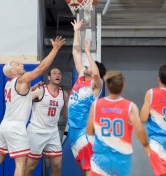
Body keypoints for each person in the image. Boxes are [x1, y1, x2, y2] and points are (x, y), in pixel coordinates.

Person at [0, 36, 65, 176]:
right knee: (21, 164)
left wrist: (32, 88)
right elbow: (41, 68)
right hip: (17, 127)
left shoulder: (9, 84)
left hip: (5, 125)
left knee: (1, 157)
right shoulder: (21, 80)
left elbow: (21, 98)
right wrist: (55, 49)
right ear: (14, 72)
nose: (22, 64)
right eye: (18, 64)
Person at [87, 70, 151, 176]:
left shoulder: (96, 105)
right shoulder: (130, 107)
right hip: (122, 158)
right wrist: (146, 146)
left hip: (101, 157)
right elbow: (139, 130)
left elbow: (89, 131)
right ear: (123, 85)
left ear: (107, 86)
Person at [68, 19, 106, 176]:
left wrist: (89, 51)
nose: (86, 66)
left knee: (89, 169)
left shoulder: (97, 84)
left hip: (85, 131)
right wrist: (76, 31)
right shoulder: (81, 78)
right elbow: (76, 53)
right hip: (73, 130)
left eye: (90, 65)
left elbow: (96, 73)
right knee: (84, 168)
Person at [25, 67, 68, 176]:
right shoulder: (40, 90)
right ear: (49, 77)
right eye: (54, 73)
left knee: (57, 164)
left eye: (59, 73)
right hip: (36, 132)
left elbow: (66, 113)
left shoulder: (64, 94)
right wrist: (31, 89)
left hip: (52, 132)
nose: (57, 75)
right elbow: (22, 100)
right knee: (30, 166)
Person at [140, 65, 166, 176]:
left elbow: (143, 118)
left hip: (157, 141)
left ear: (159, 79)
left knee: (163, 174)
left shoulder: (151, 93)